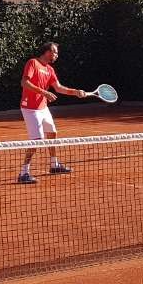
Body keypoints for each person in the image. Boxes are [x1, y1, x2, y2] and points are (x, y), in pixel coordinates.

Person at [18, 41, 89, 184]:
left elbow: (59, 88)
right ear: (47, 52)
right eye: (55, 52)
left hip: (43, 108)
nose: (57, 55)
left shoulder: (50, 69)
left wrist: (75, 92)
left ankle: (54, 165)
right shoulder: (33, 63)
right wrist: (44, 92)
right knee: (36, 140)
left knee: (52, 133)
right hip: (30, 108)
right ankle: (23, 173)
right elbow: (24, 83)